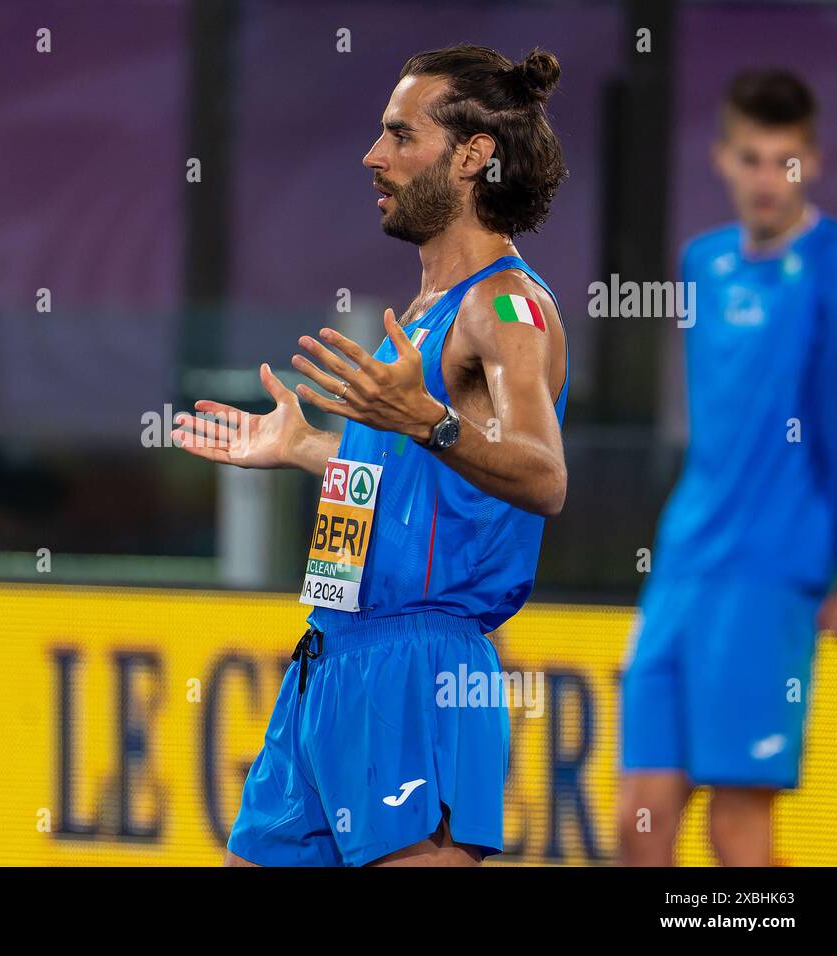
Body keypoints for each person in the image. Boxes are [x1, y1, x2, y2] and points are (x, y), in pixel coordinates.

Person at [173, 44, 569, 866]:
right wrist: (314, 447)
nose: (373, 157)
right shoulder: (428, 308)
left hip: (418, 672)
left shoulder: (508, 304)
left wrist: (430, 424)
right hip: (327, 660)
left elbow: (544, 474)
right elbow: (430, 487)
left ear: (471, 156)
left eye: (399, 135)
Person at [619, 68, 837, 866]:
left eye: (783, 160)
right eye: (749, 158)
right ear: (720, 159)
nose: (765, 179)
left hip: (771, 571)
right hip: (683, 564)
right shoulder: (702, 262)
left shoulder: (835, 267)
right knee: (639, 824)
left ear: (812, 163)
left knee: (737, 834)